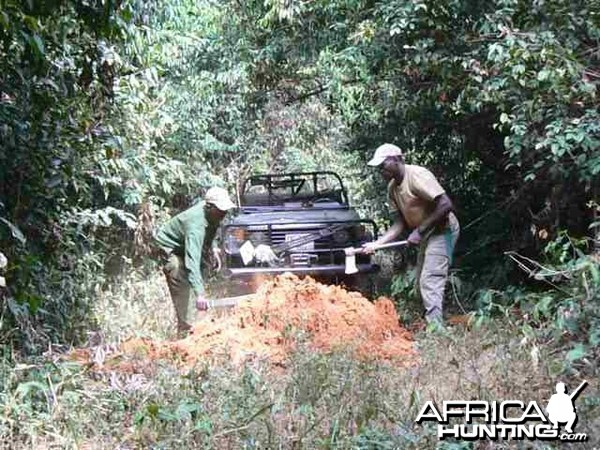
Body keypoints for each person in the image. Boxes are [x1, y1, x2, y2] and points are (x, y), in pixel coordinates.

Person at [364, 143, 459, 325]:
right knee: (419, 283)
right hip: (426, 233)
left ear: (398, 160)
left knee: (430, 279)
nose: (381, 171)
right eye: (378, 168)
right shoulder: (392, 188)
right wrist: (377, 244)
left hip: (443, 230)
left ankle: (436, 331)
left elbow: (446, 204)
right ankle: (430, 319)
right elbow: (399, 224)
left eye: (383, 165)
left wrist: (419, 231)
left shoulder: (416, 175)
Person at [155, 186, 236, 335]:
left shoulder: (213, 213)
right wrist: (200, 294)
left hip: (186, 242)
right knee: (178, 270)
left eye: (225, 210)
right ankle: (184, 325)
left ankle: (201, 314)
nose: (224, 213)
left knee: (205, 268)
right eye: (221, 210)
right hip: (170, 246)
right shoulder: (195, 227)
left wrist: (214, 248)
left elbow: (211, 229)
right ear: (209, 207)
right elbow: (192, 261)